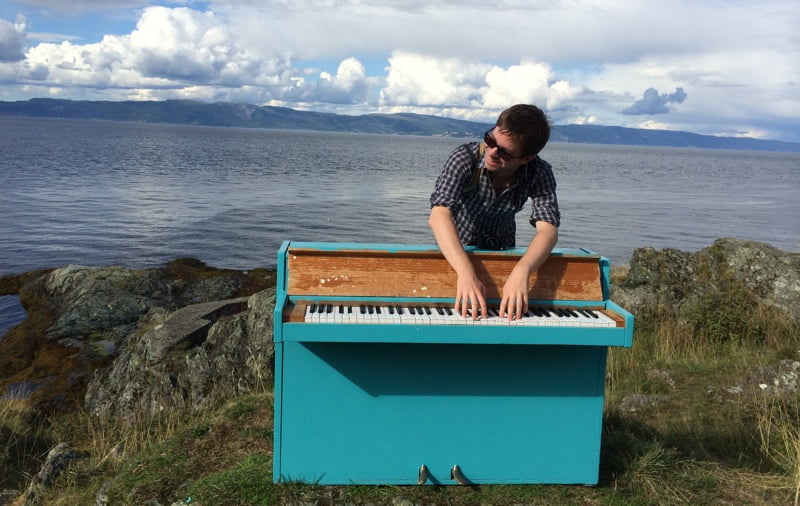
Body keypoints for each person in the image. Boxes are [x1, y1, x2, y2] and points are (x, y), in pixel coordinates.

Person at [428, 104, 560, 321]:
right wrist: (465, 273)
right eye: (490, 141)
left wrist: (522, 271)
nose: (491, 152)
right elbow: (439, 215)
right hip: (455, 253)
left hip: (504, 255)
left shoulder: (539, 171)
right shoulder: (465, 158)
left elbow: (548, 231)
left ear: (527, 158)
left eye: (504, 153)